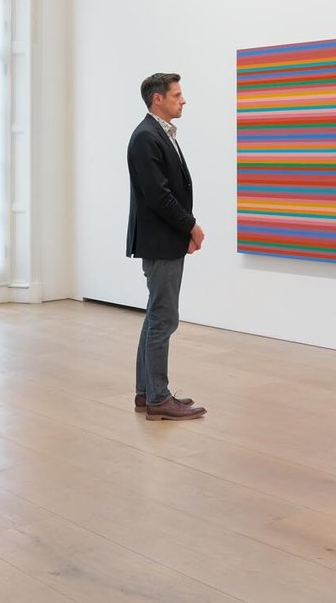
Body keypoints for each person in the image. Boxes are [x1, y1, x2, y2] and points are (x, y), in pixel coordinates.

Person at [127, 72, 207, 421]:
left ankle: (147, 392)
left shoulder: (159, 133)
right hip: (160, 241)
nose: (183, 99)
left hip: (165, 238)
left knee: (156, 315)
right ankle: (158, 397)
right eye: (177, 95)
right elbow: (159, 196)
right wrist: (191, 225)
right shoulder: (146, 137)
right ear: (157, 99)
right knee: (163, 318)